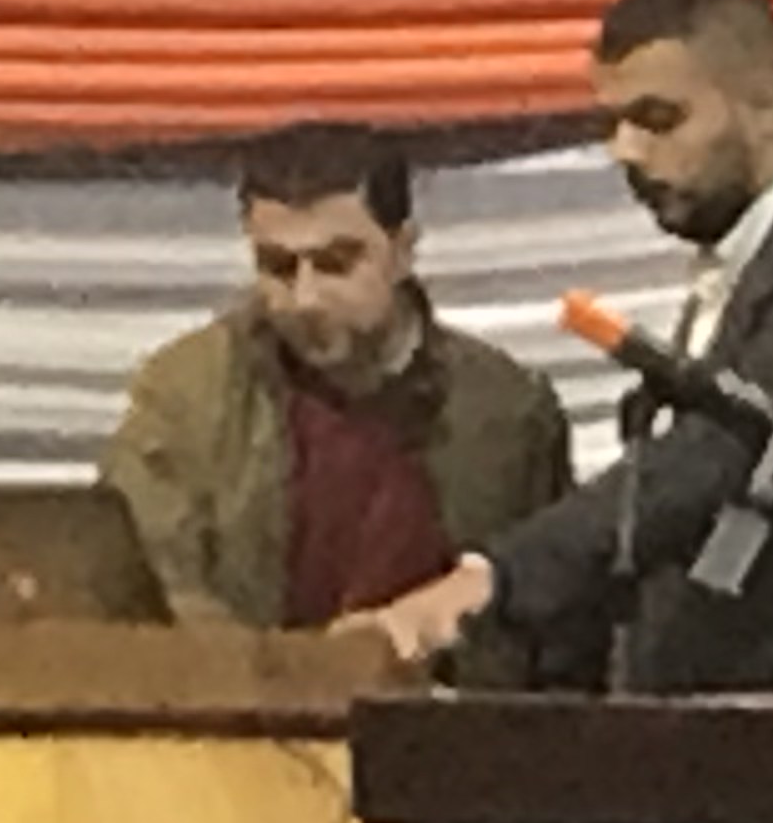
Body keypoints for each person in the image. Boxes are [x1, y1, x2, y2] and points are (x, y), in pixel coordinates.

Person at [340, 0, 773, 695]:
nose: (627, 152)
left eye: (659, 119)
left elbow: (713, 460)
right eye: (612, 123)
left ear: (767, 104)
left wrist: (490, 583)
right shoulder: (759, 261)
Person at [104, 123, 573, 635]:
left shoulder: (508, 411)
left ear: (402, 251)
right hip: (246, 681)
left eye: (335, 264)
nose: (304, 299)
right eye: (278, 266)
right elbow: (144, 589)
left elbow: (549, 606)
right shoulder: (185, 394)